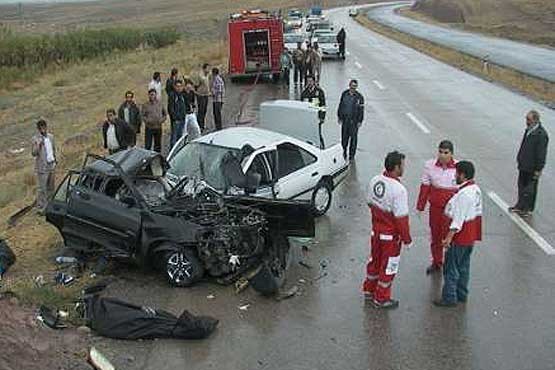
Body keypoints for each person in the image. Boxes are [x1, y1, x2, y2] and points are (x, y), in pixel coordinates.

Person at [363, 151, 412, 309]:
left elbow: (370, 203)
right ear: (397, 167)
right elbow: (401, 219)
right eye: (403, 165)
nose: (404, 168)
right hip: (390, 238)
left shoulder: (375, 180)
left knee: (374, 262)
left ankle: (369, 290)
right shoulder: (399, 190)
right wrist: (407, 239)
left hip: (376, 232)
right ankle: (382, 298)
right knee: (388, 267)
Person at [434, 161, 482, 307]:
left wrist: (448, 238)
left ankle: (449, 297)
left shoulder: (464, 194)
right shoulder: (475, 190)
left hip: (459, 238)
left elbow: (458, 220)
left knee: (451, 268)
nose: (455, 176)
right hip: (469, 237)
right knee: (463, 267)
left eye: (457, 173)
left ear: (462, 175)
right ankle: (462, 293)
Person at [416, 140, 458, 275]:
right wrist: (420, 206)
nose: (442, 155)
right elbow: (425, 187)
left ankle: (450, 263)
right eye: (440, 152)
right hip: (436, 208)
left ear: (451, 154)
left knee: (451, 237)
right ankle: (437, 261)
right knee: (435, 236)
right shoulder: (430, 166)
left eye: (446, 153)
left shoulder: (458, 168)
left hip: (452, 211)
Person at [509, 110, 549, 217]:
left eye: (529, 119)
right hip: (523, 165)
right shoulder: (529, 130)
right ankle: (520, 205)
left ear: (536, 120)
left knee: (530, 189)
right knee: (521, 186)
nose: (526, 121)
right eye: (526, 119)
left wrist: (539, 169)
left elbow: (541, 154)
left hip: (532, 167)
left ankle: (528, 209)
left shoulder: (541, 135)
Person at [31, 119, 56, 214]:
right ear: (38, 129)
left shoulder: (51, 137)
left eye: (44, 127)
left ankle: (50, 206)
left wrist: (55, 160)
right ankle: (41, 208)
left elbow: (53, 149)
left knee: (51, 187)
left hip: (51, 165)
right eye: (41, 128)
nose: (43, 129)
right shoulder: (35, 139)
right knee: (42, 189)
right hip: (42, 167)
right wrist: (39, 145)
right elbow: (33, 153)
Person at [337, 79, 364, 161]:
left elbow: (361, 110)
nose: (353, 88)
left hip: (354, 122)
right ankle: (344, 152)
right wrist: (339, 117)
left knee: (353, 139)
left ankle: (352, 155)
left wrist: (360, 121)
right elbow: (341, 105)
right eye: (352, 86)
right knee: (344, 138)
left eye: (355, 87)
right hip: (345, 120)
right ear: (349, 86)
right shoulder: (344, 94)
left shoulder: (359, 97)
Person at [141, 88, 167, 153]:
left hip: (158, 127)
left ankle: (157, 157)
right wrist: (148, 121)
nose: (152, 96)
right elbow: (142, 116)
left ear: (156, 95)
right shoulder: (145, 105)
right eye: (151, 95)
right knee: (148, 145)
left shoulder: (160, 104)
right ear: (148, 95)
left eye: (153, 94)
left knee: (158, 145)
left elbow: (165, 114)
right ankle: (147, 159)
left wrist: (162, 120)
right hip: (149, 128)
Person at [168, 79, 188, 147]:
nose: (179, 88)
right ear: (174, 87)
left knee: (180, 137)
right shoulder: (172, 96)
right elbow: (170, 108)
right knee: (174, 137)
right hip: (176, 120)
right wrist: (174, 118)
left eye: (180, 86)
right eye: (177, 86)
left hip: (182, 119)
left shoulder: (182, 95)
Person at [193, 63, 211, 131]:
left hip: (206, 95)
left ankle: (202, 125)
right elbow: (197, 85)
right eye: (207, 68)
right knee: (201, 110)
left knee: (204, 110)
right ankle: (199, 125)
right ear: (204, 68)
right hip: (200, 95)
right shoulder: (200, 76)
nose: (209, 70)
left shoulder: (207, 75)